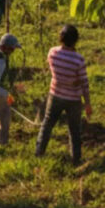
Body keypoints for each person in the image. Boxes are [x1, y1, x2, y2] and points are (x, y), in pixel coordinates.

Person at [35, 25, 91, 166]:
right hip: (73, 99)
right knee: (74, 130)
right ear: (76, 40)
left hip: (55, 94)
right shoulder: (79, 60)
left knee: (47, 124)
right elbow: (84, 83)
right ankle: (76, 159)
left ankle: (39, 152)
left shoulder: (52, 52)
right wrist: (88, 103)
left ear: (61, 38)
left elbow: (54, 70)